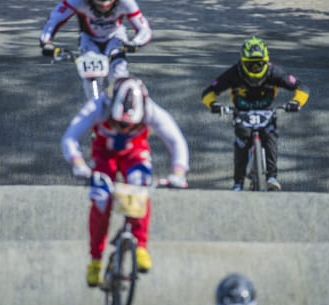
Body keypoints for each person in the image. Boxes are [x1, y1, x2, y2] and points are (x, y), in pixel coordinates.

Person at [61, 76, 189, 286]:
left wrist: (178, 172)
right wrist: (79, 164)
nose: (124, 129)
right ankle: (95, 260)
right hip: (104, 155)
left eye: (132, 125)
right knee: (101, 198)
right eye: (119, 123)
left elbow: (176, 141)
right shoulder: (98, 105)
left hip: (134, 154)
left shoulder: (150, 109)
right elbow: (70, 137)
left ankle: (140, 246)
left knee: (140, 187)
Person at [201, 36, 310, 192]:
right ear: (242, 62)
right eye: (251, 64)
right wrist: (214, 104)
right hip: (241, 113)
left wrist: (296, 102)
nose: (256, 68)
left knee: (270, 137)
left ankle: (272, 177)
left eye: (260, 64)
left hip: (267, 112)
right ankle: (238, 182)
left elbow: (302, 87)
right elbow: (208, 92)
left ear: (267, 61)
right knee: (242, 142)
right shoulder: (234, 73)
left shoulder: (275, 72)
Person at [39, 0, 152, 98]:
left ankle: (121, 106)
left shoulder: (125, 2)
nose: (102, 11)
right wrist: (46, 41)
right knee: (91, 79)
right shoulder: (77, 1)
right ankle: (95, 107)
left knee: (118, 73)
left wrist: (136, 43)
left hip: (115, 37)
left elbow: (144, 29)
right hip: (90, 39)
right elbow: (55, 18)